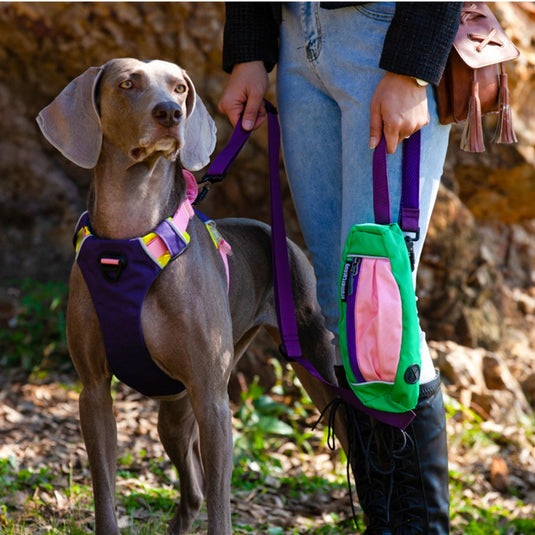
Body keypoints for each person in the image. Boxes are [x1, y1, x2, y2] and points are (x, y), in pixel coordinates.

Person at [219, 3, 462, 534]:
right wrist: (250, 50)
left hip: (382, 35)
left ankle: (419, 529)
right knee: (340, 305)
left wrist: (412, 65)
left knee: (380, 304)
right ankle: (385, 522)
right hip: (296, 37)